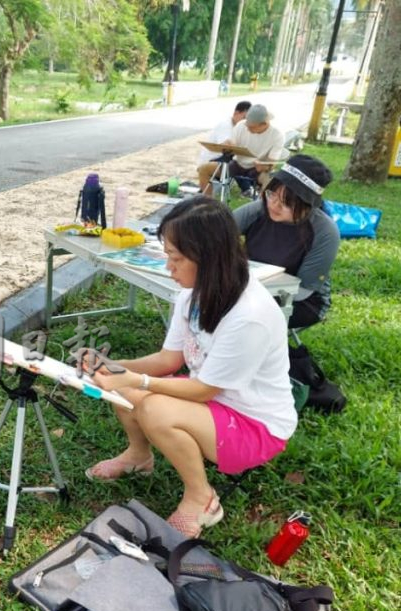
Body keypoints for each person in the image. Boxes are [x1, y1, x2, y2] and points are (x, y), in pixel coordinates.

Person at [81, 197, 297, 538]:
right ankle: (138, 455)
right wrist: (115, 367)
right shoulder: (194, 293)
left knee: (152, 407)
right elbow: (170, 360)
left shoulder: (250, 314)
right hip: (214, 401)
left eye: (176, 258)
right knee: (125, 387)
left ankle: (202, 497)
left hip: (255, 424)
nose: (170, 268)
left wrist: (138, 379)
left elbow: (203, 389)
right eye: (168, 256)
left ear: (208, 258)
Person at [233, 155, 339, 329]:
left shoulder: (325, 232)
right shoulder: (259, 210)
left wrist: (246, 294)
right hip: (248, 287)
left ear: (307, 205)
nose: (274, 205)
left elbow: (303, 290)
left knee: (240, 316)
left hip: (301, 300)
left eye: (286, 203)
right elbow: (218, 234)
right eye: (272, 194)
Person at [197, 104, 288, 196]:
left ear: (264, 124)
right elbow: (232, 144)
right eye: (247, 125)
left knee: (269, 181)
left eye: (251, 127)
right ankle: (208, 201)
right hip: (237, 164)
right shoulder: (241, 125)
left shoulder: (277, 135)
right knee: (204, 169)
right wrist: (228, 145)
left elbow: (271, 163)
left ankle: (260, 207)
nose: (247, 129)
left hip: (256, 169)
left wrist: (264, 166)